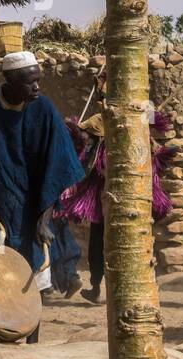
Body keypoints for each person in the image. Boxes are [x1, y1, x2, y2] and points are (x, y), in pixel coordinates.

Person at [0, 51, 85, 337]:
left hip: (30, 208)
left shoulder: (44, 110)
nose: (37, 87)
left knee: (30, 276)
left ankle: (32, 339)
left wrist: (43, 220)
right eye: (30, 82)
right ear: (10, 80)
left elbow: (58, 167)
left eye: (39, 81)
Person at [62, 85, 176, 304]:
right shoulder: (141, 113)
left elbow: (82, 142)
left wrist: (76, 131)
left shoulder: (102, 119)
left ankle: (98, 287)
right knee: (133, 231)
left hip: (108, 187)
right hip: (133, 186)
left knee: (101, 236)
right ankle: (124, 285)